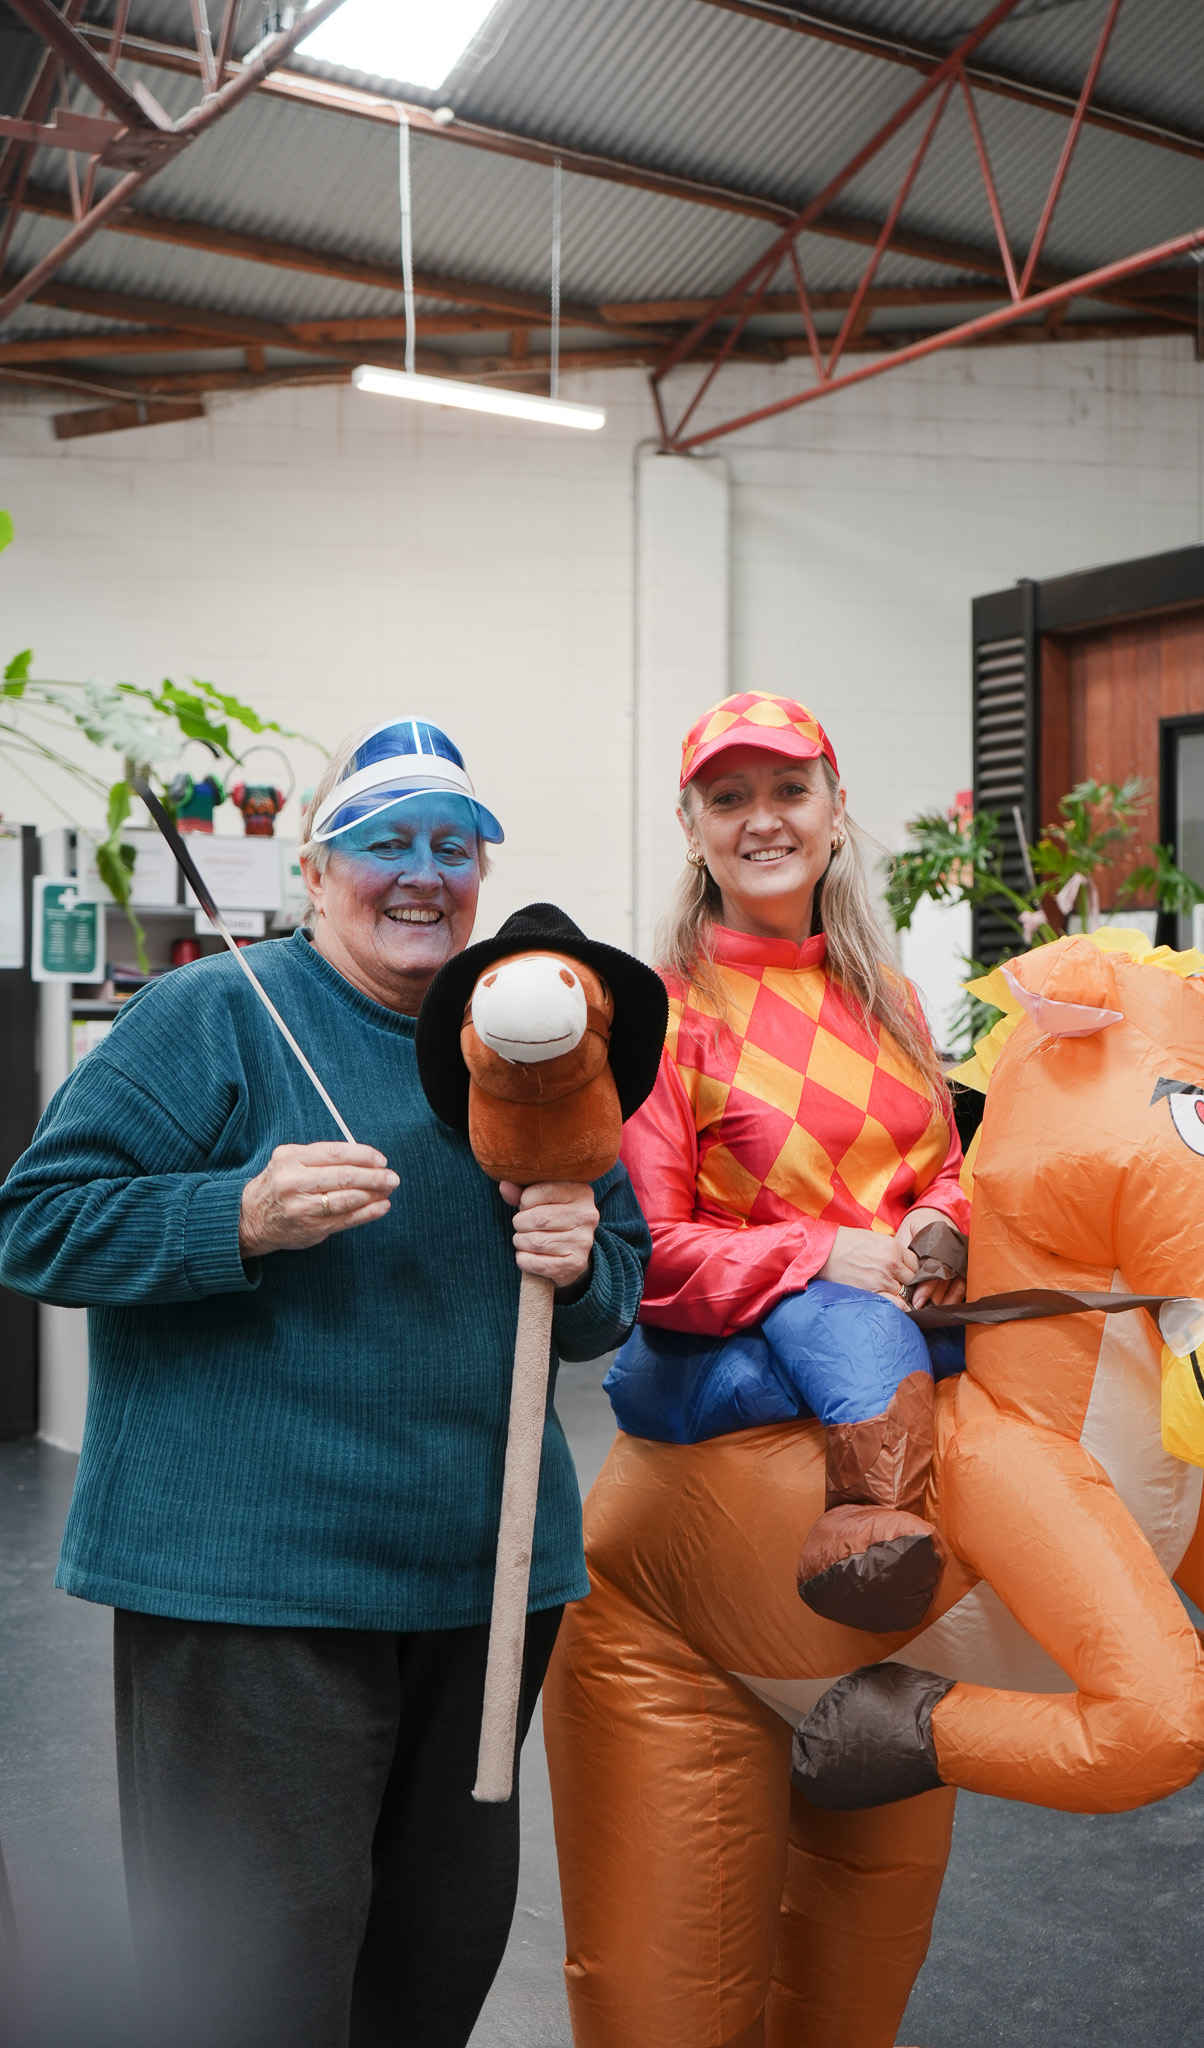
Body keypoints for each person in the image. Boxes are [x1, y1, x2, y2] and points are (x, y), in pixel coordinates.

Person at [0, 716, 650, 2048]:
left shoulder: (534, 1026)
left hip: (482, 1579)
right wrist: (234, 1214)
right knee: (253, 1981)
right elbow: (35, 1224)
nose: (422, 873)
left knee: (434, 1965)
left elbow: (607, 1303)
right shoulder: (212, 1017)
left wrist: (580, 1259)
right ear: (312, 871)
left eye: (451, 846)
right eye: (384, 843)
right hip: (251, 1588)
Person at [544, 691, 971, 2048]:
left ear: (836, 811)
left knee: (859, 1976)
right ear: (691, 830)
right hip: (695, 1527)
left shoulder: (890, 1001)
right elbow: (645, 1259)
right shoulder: (657, 1019)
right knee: (671, 1991)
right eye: (727, 798)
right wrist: (819, 1257)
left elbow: (948, 1176)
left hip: (895, 1532)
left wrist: (932, 1230)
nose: (762, 819)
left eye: (786, 790)